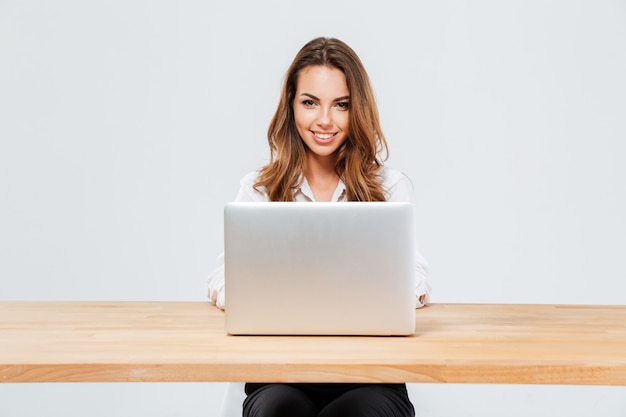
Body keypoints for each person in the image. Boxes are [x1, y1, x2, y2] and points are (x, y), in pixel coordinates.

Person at [207, 37, 431, 417]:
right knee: (278, 410)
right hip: (279, 373)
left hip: (371, 374)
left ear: (356, 110)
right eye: (310, 102)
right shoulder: (260, 188)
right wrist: (272, 298)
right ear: (291, 106)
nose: (325, 120)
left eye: (340, 105)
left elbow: (418, 277)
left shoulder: (387, 186)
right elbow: (221, 278)